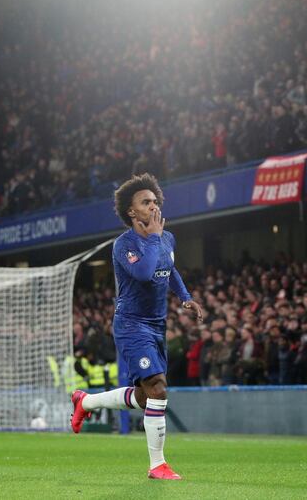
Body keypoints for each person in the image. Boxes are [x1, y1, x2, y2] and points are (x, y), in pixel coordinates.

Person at [69, 173, 203, 480]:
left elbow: (168, 267)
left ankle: (85, 401)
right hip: (131, 324)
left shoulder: (167, 238)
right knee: (158, 387)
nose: (153, 206)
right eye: (146, 202)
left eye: (155, 201)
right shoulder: (123, 244)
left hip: (157, 325)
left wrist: (185, 297)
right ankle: (158, 465)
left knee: (146, 397)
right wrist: (154, 237)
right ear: (132, 211)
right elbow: (144, 273)